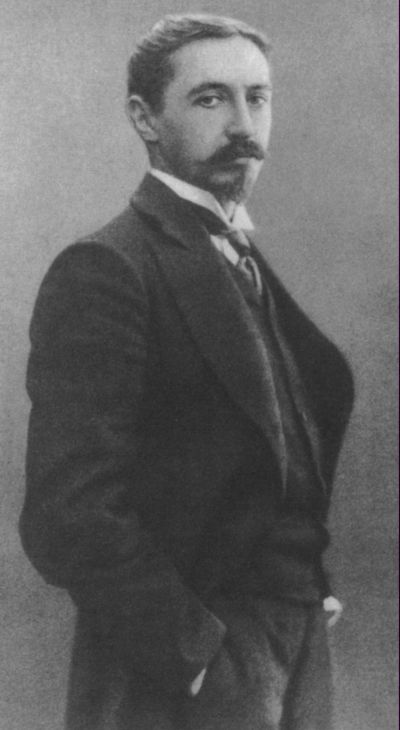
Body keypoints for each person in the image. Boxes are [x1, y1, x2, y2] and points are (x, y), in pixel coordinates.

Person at [19, 14, 354, 730]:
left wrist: (307, 591)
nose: (242, 125)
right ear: (145, 117)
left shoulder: (242, 260)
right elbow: (67, 513)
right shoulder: (107, 269)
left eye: (257, 98)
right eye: (210, 99)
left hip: (296, 641)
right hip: (186, 669)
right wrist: (194, 653)